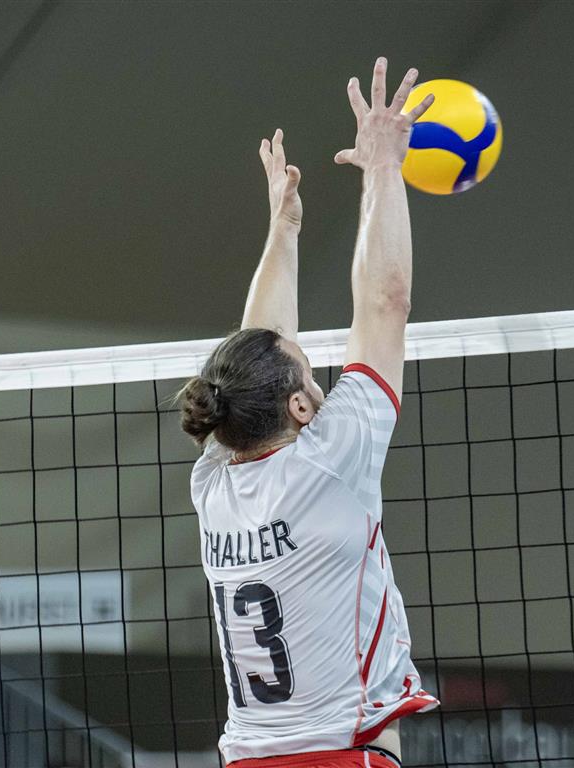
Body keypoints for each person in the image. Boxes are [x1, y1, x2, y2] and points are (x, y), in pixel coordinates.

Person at [177, 58, 438, 768]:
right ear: (299, 404)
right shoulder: (331, 459)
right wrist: (384, 168)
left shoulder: (216, 481)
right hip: (341, 757)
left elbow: (254, 350)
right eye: (311, 374)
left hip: (248, 756)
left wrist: (284, 227)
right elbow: (385, 303)